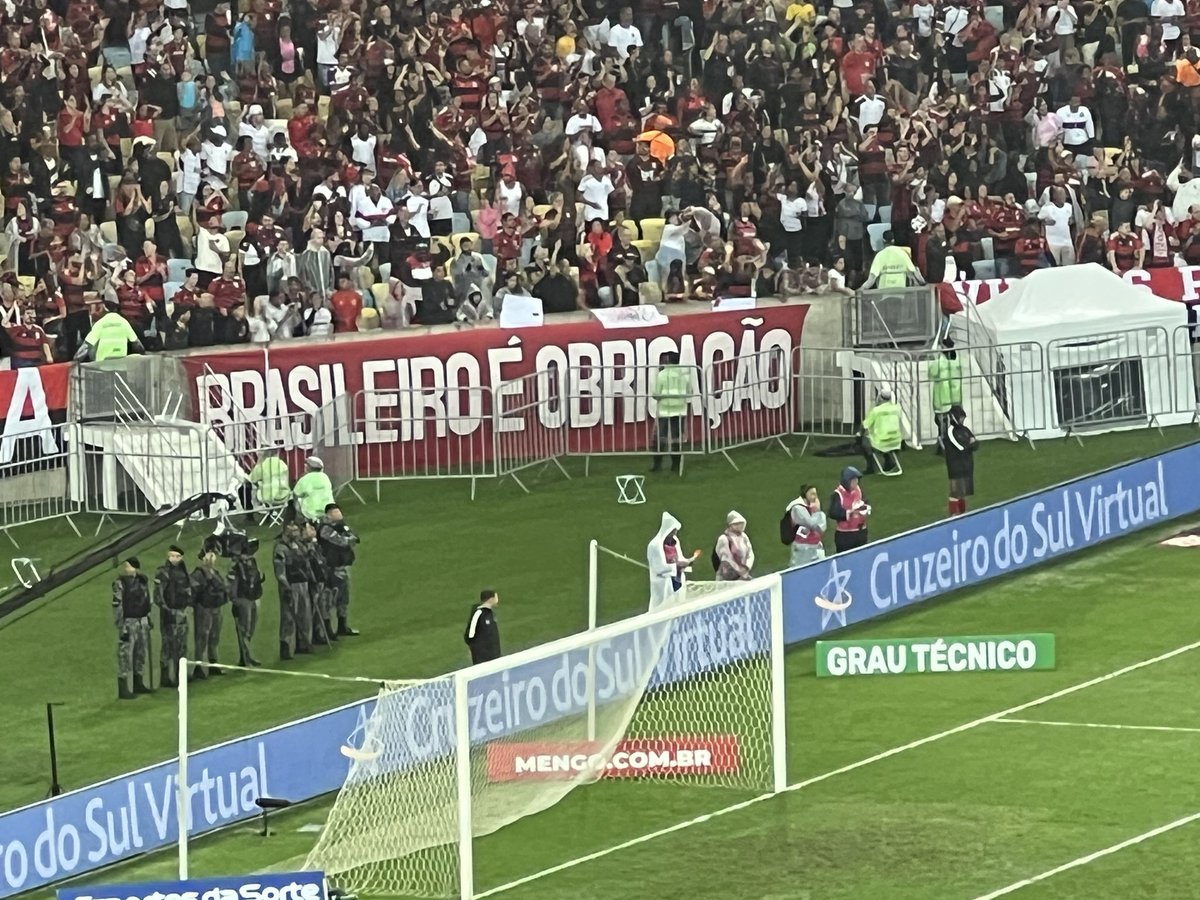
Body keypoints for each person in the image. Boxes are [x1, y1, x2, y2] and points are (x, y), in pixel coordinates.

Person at [112, 557, 153, 700]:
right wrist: (121, 626)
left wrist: (148, 617)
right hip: (129, 622)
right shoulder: (120, 584)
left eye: (128, 566)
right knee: (125, 656)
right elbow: (118, 606)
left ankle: (138, 682)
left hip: (142, 621)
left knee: (140, 653)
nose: (125, 569)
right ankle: (123, 687)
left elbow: (148, 599)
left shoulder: (143, 581)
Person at [153, 545, 193, 689]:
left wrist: (187, 606)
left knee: (182, 646)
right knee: (168, 646)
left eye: (177, 556)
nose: (174, 559)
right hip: (169, 616)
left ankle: (180, 675)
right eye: (172, 556)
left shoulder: (184, 572)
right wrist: (168, 610)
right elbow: (158, 596)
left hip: (182, 614)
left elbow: (188, 591)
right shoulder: (163, 573)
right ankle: (165, 677)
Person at [319, 503, 361, 636]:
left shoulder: (341, 526)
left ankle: (343, 626)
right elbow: (341, 540)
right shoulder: (325, 528)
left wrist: (351, 538)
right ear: (329, 515)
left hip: (343, 567)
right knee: (329, 600)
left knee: (344, 599)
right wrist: (351, 539)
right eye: (336, 512)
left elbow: (353, 536)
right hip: (331, 569)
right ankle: (327, 630)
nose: (339, 514)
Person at [273, 520, 313, 660]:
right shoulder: (280, 548)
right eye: (293, 531)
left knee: (304, 614)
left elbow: (307, 563)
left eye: (297, 530)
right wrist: (286, 587)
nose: (296, 533)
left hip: (303, 583)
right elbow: (280, 572)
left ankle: (303, 643)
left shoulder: (300, 545)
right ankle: (286, 647)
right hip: (290, 585)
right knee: (288, 617)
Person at [190, 547, 231, 679]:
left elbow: (224, 587)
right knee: (202, 637)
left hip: (216, 608)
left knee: (214, 637)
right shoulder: (198, 574)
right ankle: (199, 666)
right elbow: (195, 592)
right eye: (209, 557)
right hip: (204, 609)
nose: (212, 559)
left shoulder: (216, 573)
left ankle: (214, 664)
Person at [646, 512, 701, 610]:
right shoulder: (654, 546)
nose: (674, 534)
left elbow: (680, 557)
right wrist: (677, 566)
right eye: (673, 531)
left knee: (679, 606)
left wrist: (687, 562)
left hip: (677, 579)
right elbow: (659, 568)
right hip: (664, 584)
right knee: (662, 609)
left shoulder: (675, 541)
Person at [650, 353, 691, 473]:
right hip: (680, 410)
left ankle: (657, 465)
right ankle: (675, 465)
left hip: (664, 410)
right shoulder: (684, 375)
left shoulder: (662, 374)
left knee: (660, 438)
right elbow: (690, 391)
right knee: (676, 439)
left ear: (667, 361)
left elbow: (656, 394)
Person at [228, 537, 264, 667]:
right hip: (242, 599)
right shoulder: (235, 564)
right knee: (244, 630)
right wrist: (234, 598)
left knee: (250, 629)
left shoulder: (252, 561)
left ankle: (247, 656)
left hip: (253, 597)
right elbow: (231, 582)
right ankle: (246, 658)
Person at [74, 301, 144, 361]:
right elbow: (137, 344)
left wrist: (76, 359)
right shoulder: (124, 322)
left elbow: (87, 346)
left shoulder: (101, 323)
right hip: (120, 363)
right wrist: (143, 355)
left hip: (102, 364)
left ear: (105, 308)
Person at [927, 339, 963, 454]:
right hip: (956, 396)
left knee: (942, 423)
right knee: (955, 422)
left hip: (942, 397)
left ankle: (944, 446)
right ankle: (956, 443)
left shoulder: (939, 362)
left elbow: (931, 374)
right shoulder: (956, 360)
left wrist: (934, 358)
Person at [304, 519, 336, 646]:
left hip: (322, 578)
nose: (313, 531)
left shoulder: (316, 545)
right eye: (309, 529)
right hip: (314, 581)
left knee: (324, 606)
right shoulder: (307, 547)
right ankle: (314, 636)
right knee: (314, 609)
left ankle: (321, 632)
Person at [828, 467, 871, 553]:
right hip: (845, 535)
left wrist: (865, 508)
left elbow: (865, 501)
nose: (856, 483)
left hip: (861, 532)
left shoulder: (858, 490)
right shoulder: (838, 494)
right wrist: (849, 513)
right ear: (847, 481)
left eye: (856, 480)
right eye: (854, 481)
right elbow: (833, 512)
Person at [944, 405, 978, 515]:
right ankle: (953, 515)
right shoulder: (950, 432)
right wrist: (970, 444)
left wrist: (971, 444)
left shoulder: (965, 430)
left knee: (963, 492)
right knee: (955, 492)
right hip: (956, 466)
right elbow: (961, 448)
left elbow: (976, 444)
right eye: (961, 418)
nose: (962, 420)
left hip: (967, 465)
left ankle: (963, 513)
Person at [862, 389, 904, 473]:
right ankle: (888, 461)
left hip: (881, 442)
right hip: (896, 442)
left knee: (864, 442)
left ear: (879, 397)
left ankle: (870, 468)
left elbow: (865, 425)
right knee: (884, 435)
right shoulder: (897, 408)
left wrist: (860, 433)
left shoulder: (876, 410)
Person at [785, 485, 827, 566]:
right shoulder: (797, 508)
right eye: (812, 494)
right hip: (802, 549)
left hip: (817, 547)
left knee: (821, 572)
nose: (815, 497)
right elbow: (812, 524)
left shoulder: (814, 508)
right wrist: (817, 512)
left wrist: (818, 512)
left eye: (815, 494)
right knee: (800, 574)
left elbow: (822, 528)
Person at [714, 511, 755, 581]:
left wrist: (747, 567)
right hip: (727, 577)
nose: (740, 526)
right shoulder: (723, 539)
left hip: (743, 575)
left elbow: (750, 553)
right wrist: (740, 571)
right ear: (730, 525)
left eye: (741, 523)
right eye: (737, 524)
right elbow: (727, 558)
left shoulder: (744, 537)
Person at [464, 589, 501, 664]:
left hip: (493, 654)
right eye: (496, 597)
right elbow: (470, 634)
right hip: (482, 656)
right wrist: (473, 649)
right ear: (491, 599)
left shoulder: (491, 613)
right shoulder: (478, 613)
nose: (497, 600)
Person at [292, 456, 334, 521]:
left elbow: (296, 493)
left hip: (312, 512)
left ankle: (295, 524)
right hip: (329, 509)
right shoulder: (325, 477)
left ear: (307, 467)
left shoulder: (305, 479)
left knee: (294, 502)